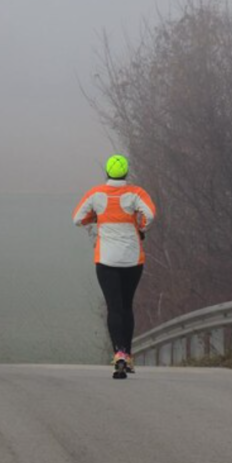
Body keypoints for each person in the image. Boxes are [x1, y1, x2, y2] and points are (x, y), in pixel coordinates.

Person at [72, 154, 156, 378]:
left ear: (108, 173)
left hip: (106, 260)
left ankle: (118, 353)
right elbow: (150, 214)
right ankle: (127, 355)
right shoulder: (136, 193)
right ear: (126, 173)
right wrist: (141, 227)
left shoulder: (95, 194)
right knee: (127, 306)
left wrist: (96, 218)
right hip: (132, 259)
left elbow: (77, 219)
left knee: (114, 307)